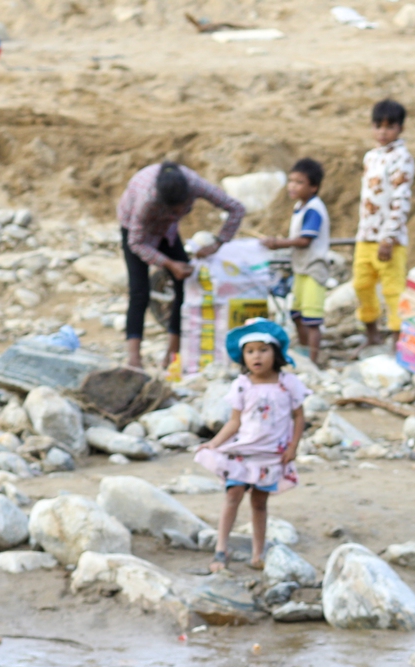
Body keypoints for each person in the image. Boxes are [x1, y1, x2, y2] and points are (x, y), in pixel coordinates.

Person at [194, 319, 307, 571]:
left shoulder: (287, 383)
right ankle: (221, 550)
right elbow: (234, 422)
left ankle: (258, 553)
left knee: (259, 502)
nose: (257, 356)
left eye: (263, 350)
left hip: (269, 454)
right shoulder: (242, 385)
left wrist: (293, 447)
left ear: (275, 352)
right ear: (243, 356)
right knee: (233, 495)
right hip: (243, 451)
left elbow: (299, 416)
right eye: (250, 351)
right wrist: (214, 443)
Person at [116, 161, 245, 372]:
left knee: (183, 284)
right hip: (134, 230)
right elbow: (136, 242)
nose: (178, 214)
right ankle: (134, 359)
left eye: (182, 210)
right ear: (161, 203)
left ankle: (173, 354)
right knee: (139, 292)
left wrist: (218, 242)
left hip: (167, 231)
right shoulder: (146, 200)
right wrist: (168, 264)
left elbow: (237, 208)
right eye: (173, 210)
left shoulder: (195, 184)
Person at [352, 99, 415, 349]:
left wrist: (388, 237)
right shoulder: (371, 157)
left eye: (389, 127)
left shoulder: (402, 158)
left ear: (400, 128)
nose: (383, 132)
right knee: (361, 284)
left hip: (390, 239)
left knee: (392, 289)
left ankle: (397, 337)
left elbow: (401, 200)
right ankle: (371, 332)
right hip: (366, 235)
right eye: (378, 126)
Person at [267, 157, 333, 367]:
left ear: (313, 187)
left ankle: (313, 359)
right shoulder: (300, 207)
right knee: (297, 313)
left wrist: (280, 243)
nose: (292, 186)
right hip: (301, 268)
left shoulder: (314, 209)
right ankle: (305, 351)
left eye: (299, 182)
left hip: (314, 268)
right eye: (291, 181)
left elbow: (305, 240)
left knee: (312, 318)